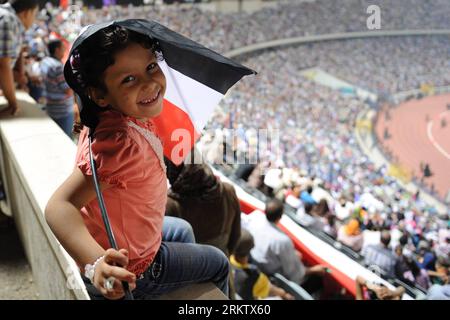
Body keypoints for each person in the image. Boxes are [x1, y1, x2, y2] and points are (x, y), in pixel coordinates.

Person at [45, 24, 229, 300]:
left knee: (182, 228)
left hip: (128, 235)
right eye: (128, 79)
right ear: (100, 94)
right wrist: (97, 264)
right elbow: (60, 206)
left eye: (151, 67)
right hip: (132, 265)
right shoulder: (119, 144)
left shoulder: (115, 113)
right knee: (218, 263)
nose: (149, 83)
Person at [165, 154, 241, 257]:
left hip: (188, 267)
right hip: (220, 264)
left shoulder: (170, 205)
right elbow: (236, 236)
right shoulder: (228, 191)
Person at [245, 199, 327, 295]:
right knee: (317, 280)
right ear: (280, 216)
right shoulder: (282, 240)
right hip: (271, 279)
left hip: (254, 267)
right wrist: (314, 270)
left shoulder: (255, 219)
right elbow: (296, 274)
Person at [230, 228, 294, 300]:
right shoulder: (254, 275)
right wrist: (284, 294)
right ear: (251, 248)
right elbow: (275, 291)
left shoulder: (224, 259)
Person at [0, 0, 39, 117]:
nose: (34, 20)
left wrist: (20, 75)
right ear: (26, 13)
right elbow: (3, 65)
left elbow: (19, 51)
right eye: (34, 15)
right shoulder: (8, 19)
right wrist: (13, 103)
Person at [40, 39, 75, 138]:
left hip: (50, 107)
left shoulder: (45, 62)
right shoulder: (58, 67)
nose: (65, 51)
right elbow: (68, 91)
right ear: (57, 50)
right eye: (63, 48)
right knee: (65, 137)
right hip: (62, 111)